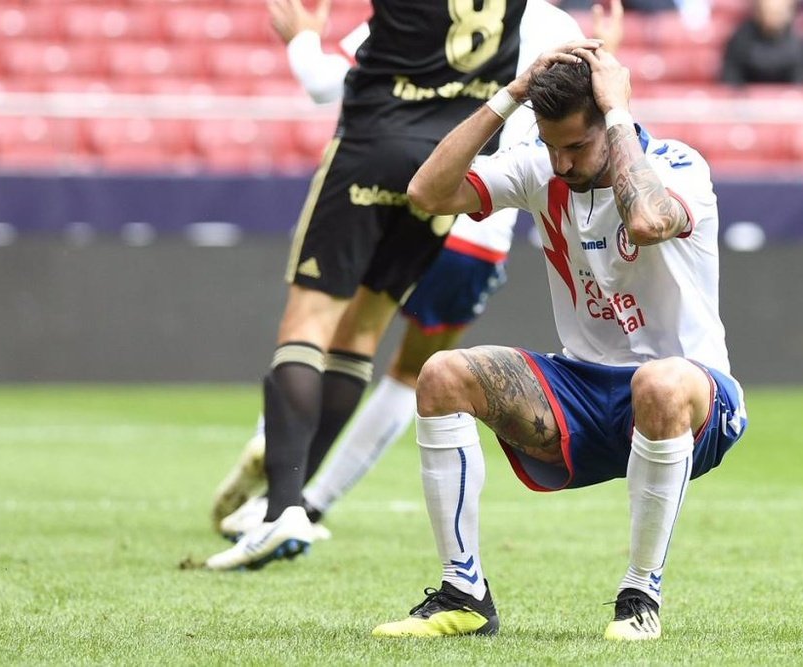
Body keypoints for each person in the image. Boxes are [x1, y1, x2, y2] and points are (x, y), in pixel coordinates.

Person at [371, 42, 748, 641]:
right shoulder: (540, 166)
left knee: (658, 379)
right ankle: (463, 593)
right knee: (442, 373)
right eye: (551, 146)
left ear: (611, 122)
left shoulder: (679, 166)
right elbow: (427, 194)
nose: (562, 163)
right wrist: (509, 97)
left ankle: (639, 596)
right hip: (584, 391)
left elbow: (648, 222)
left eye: (576, 146)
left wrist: (617, 111)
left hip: (694, 396)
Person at [208, 0, 613, 546]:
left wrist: (304, 38)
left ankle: (277, 462)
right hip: (478, 221)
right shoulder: (558, 27)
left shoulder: (425, 12)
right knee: (403, 375)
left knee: (322, 331)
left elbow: (332, 80)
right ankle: (310, 502)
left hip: (418, 173)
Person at [721, 0, 803, 85]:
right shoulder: (742, 38)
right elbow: (731, 76)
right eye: (769, 12)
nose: (772, 17)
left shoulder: (800, 42)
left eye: (777, 13)